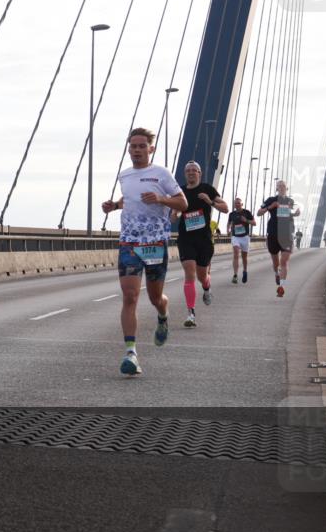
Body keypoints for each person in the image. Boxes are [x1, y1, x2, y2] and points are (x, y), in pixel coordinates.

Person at [102, 127, 187, 376]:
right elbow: (128, 199)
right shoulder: (125, 175)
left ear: (151, 149)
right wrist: (114, 206)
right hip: (129, 242)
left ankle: (163, 314)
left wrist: (161, 200)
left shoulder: (161, 174)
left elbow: (183, 203)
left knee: (154, 298)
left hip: (155, 243)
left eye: (141, 146)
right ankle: (131, 353)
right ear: (128, 149)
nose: (136, 150)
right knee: (129, 297)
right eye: (133, 146)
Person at [173, 161, 228, 328]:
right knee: (189, 274)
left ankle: (206, 287)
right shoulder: (179, 191)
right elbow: (172, 215)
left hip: (204, 240)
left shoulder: (207, 189)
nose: (191, 173)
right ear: (185, 174)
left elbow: (225, 208)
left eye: (194, 170)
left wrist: (210, 201)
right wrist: (174, 213)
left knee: (202, 276)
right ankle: (191, 313)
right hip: (186, 239)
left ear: (200, 173)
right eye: (188, 170)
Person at [258, 180, 301, 297]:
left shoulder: (290, 201)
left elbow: (288, 214)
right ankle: (277, 273)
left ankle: (281, 287)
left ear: (287, 188)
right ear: (276, 188)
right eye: (279, 186)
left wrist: (296, 214)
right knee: (276, 262)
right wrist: (270, 207)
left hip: (287, 235)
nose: (281, 188)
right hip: (273, 234)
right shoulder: (270, 200)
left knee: (284, 261)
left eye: (283, 186)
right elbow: (258, 213)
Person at [227, 197, 256, 284]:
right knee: (236, 253)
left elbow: (254, 223)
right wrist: (228, 229)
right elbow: (229, 223)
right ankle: (235, 275)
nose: (237, 205)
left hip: (245, 237)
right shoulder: (231, 214)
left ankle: (245, 271)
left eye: (238, 203)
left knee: (244, 257)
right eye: (235, 203)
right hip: (235, 237)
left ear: (242, 204)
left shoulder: (247, 212)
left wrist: (246, 220)